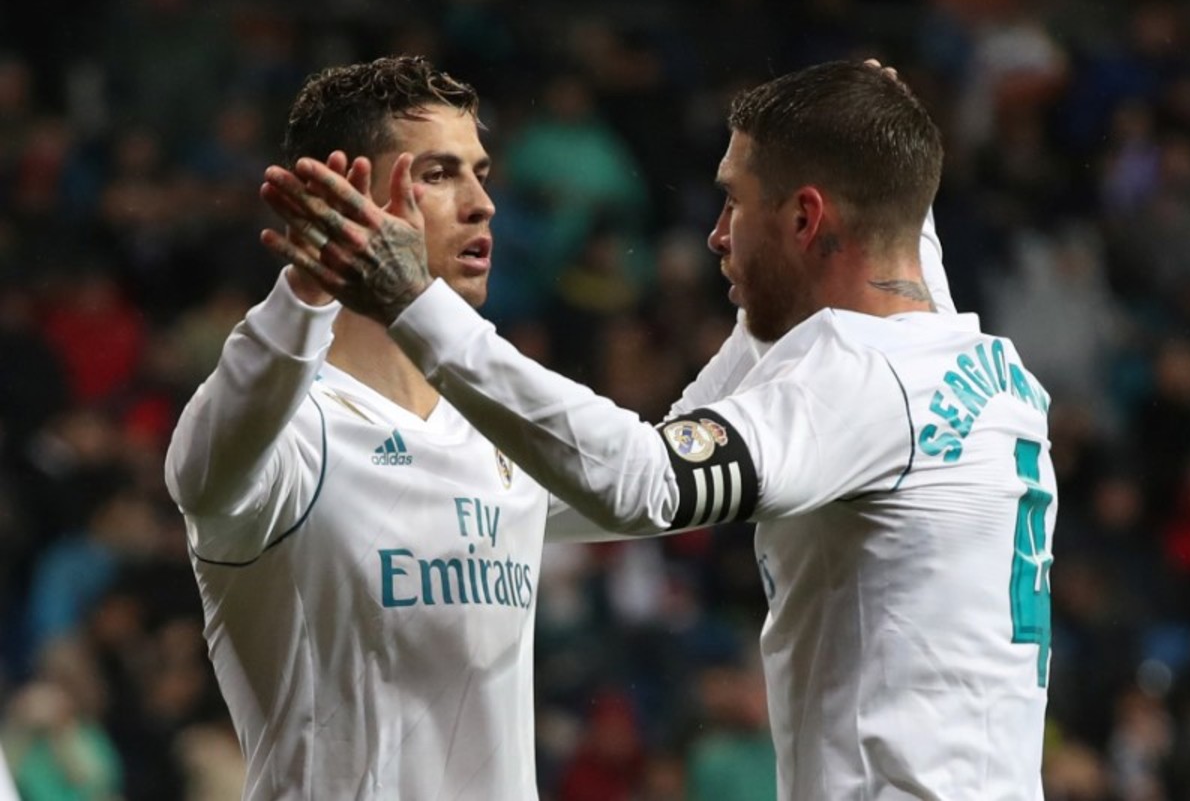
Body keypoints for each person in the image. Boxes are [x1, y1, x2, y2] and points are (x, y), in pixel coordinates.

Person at [264, 60, 1057, 799]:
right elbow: (883, 226)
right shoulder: (967, 355)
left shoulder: (861, 383)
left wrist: (414, 301)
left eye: (735, 201)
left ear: (805, 216)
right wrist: (870, 120)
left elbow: (643, 482)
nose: (717, 233)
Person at [165, 55, 554, 800]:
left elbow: (656, 480)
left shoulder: (504, 428)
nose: (482, 204)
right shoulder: (293, 435)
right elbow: (197, 473)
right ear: (344, 201)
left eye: (480, 174)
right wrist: (307, 288)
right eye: (438, 174)